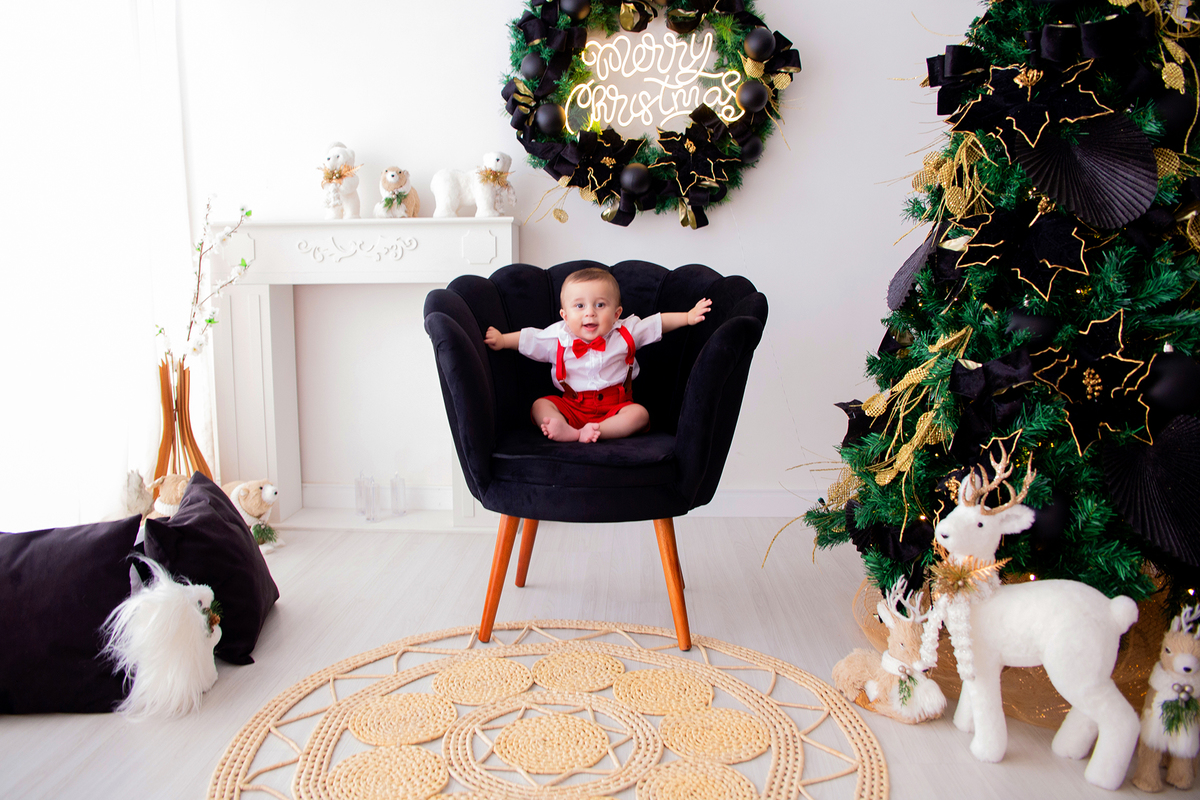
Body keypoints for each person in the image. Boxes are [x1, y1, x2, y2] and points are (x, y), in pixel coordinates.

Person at [485, 268, 711, 443]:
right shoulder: (558, 338)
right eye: (580, 306)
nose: (590, 312)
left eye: (600, 304)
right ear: (564, 315)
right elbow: (529, 339)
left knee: (639, 414)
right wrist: (504, 340)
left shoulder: (626, 332)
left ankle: (597, 431)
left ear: (617, 313)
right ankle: (567, 430)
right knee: (539, 405)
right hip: (572, 406)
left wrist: (688, 317)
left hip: (615, 407)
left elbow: (658, 323)